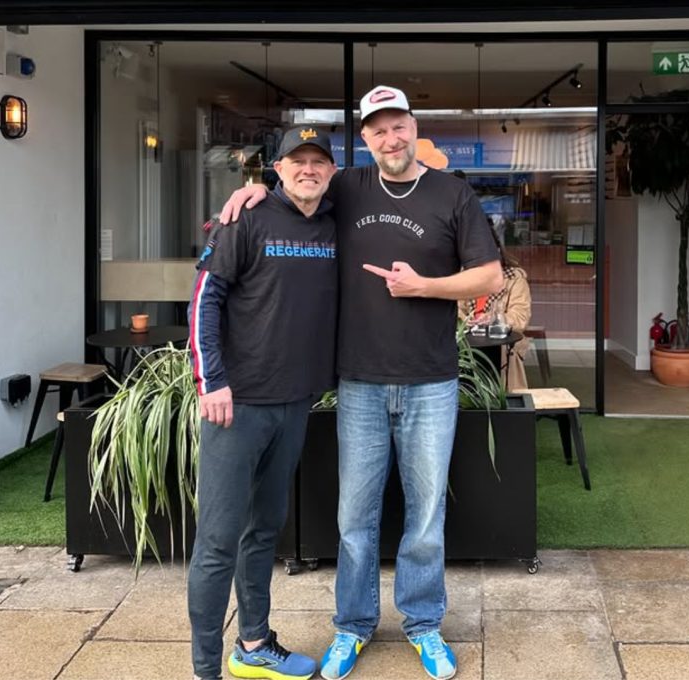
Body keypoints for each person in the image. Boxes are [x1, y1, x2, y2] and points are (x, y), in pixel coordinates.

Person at [219, 85, 502, 680]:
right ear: (365, 139)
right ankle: (352, 627)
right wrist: (253, 191)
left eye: (397, 126)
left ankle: (423, 626)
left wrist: (422, 286)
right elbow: (297, 187)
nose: (389, 139)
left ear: (414, 127)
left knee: (425, 516)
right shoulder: (346, 186)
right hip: (360, 384)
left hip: (430, 381)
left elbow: (490, 277)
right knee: (355, 517)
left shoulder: (452, 193)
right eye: (377, 130)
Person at [187, 126, 339, 680]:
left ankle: (253, 645)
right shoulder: (243, 218)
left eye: (318, 161)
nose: (307, 169)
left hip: (294, 403)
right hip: (236, 405)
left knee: (264, 529)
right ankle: (205, 669)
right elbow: (204, 299)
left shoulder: (332, 220)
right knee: (218, 540)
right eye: (296, 161)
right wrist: (212, 381)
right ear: (275, 169)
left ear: (331, 172)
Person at [459, 227, 532, 391]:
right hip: (469, 345)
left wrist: (494, 318)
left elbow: (520, 318)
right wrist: (466, 320)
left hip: (501, 345)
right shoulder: (465, 277)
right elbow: (455, 308)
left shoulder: (515, 279)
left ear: (497, 252)